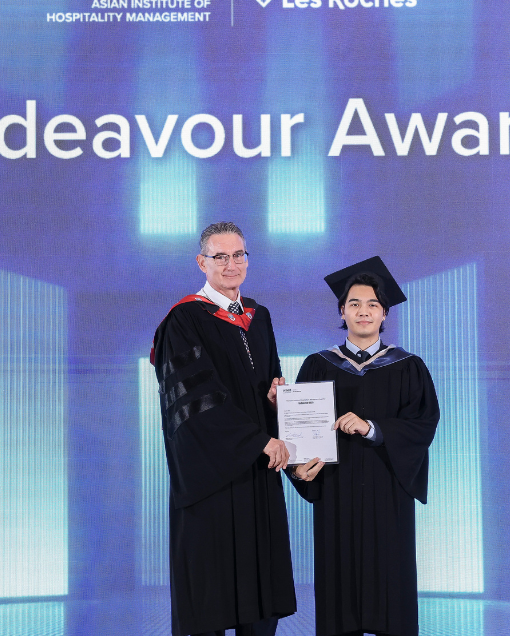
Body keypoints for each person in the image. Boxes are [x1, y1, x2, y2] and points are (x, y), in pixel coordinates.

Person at [150, 221, 297, 636]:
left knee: (259, 594)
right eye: (220, 256)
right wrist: (257, 440)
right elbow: (198, 400)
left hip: (257, 472)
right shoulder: (184, 320)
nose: (231, 264)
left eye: (239, 255)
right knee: (210, 596)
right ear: (202, 262)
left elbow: (271, 378)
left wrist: (275, 401)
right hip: (211, 479)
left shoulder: (259, 316)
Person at [284, 257, 440, 636]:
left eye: (372, 304)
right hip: (338, 493)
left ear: (385, 313)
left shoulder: (409, 367)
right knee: (340, 590)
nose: (363, 311)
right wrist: (296, 468)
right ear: (342, 310)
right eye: (354, 303)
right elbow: (297, 435)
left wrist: (373, 428)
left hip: (388, 495)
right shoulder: (317, 365)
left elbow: (423, 423)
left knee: (391, 585)